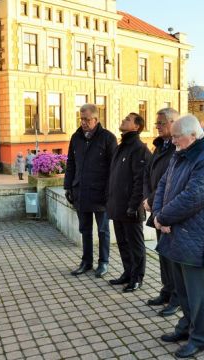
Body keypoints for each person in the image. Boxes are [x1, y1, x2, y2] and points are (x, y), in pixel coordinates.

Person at [152, 114, 204, 358]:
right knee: (182, 291)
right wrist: (159, 215)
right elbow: (164, 184)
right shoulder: (180, 154)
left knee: (198, 295)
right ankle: (185, 327)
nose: (172, 142)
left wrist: (163, 218)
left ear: (193, 135)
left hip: (196, 238)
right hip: (174, 234)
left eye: (176, 136)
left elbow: (192, 198)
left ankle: (200, 338)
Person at [64, 104, 117, 278]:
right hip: (81, 191)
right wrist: (68, 186)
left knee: (103, 230)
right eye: (81, 118)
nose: (84, 122)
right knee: (84, 229)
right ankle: (86, 262)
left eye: (87, 119)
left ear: (96, 119)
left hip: (101, 193)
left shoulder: (108, 138)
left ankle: (103, 262)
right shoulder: (76, 137)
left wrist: (109, 192)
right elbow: (71, 163)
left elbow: (113, 168)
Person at [107, 113, 151, 292]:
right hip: (117, 205)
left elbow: (140, 181)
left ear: (136, 127)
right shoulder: (120, 147)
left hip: (131, 208)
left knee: (135, 245)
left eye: (127, 119)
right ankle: (127, 272)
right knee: (122, 243)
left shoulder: (139, 149)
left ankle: (137, 277)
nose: (123, 120)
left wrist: (134, 206)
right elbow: (113, 177)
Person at [143, 108, 180, 317]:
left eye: (161, 123)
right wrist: (146, 196)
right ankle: (166, 291)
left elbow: (170, 180)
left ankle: (176, 297)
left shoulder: (177, 148)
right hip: (156, 208)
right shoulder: (160, 146)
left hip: (168, 210)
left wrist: (150, 198)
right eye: (157, 123)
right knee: (163, 253)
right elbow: (149, 174)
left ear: (174, 123)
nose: (157, 126)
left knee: (172, 257)